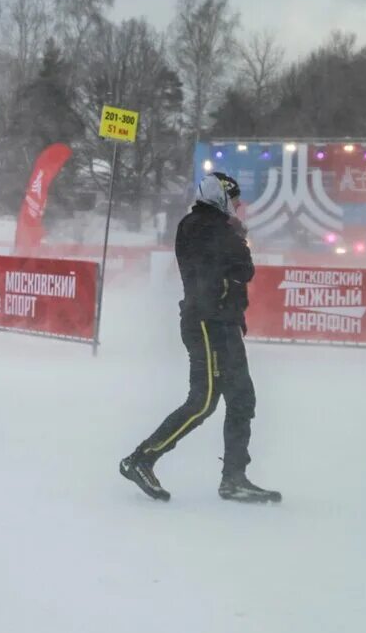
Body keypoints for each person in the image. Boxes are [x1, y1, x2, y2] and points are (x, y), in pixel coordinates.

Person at [119, 172, 280, 504]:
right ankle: (141, 459)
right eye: (235, 200)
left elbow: (235, 271)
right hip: (207, 323)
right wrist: (238, 237)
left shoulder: (213, 226)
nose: (239, 206)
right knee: (203, 401)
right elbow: (241, 267)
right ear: (220, 197)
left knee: (242, 399)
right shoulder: (203, 225)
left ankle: (234, 478)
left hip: (223, 323)